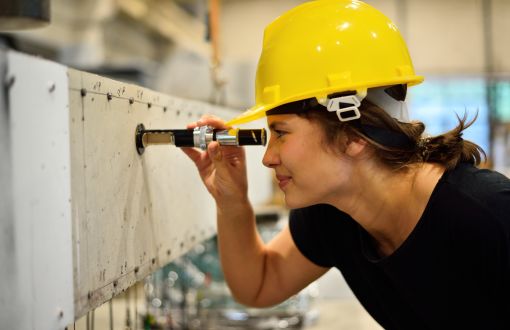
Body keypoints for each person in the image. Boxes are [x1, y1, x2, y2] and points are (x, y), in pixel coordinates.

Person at [183, 0, 510, 328]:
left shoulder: (489, 217)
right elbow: (259, 285)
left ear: (353, 136)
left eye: (281, 133)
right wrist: (232, 203)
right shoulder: (334, 214)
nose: (268, 158)